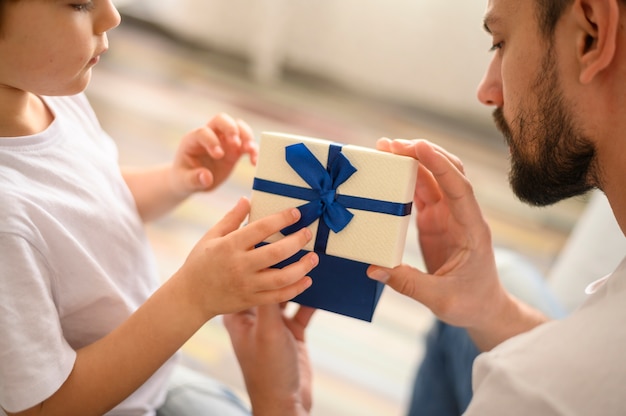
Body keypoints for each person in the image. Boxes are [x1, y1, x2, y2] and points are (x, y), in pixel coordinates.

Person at [224, 0, 626, 414]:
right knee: (506, 277)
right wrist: (490, 306)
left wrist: (279, 403)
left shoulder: (529, 394)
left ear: (591, 32)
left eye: (501, 43)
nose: (487, 91)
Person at [0, 1, 319, 415]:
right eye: (79, 3)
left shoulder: (50, 95)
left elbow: (92, 197)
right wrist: (193, 297)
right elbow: (46, 406)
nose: (112, 15)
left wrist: (175, 179)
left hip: (150, 375)